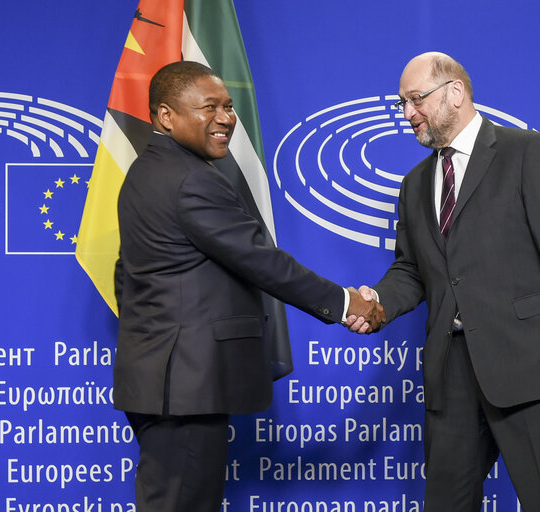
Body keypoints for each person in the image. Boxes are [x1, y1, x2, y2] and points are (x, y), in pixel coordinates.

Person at [114, 60, 384, 512]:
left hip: (160, 380)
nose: (226, 118)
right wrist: (346, 302)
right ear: (165, 116)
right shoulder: (192, 181)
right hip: (185, 387)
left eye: (229, 106)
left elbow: (129, 273)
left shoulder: (144, 173)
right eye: (210, 108)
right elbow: (263, 262)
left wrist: (159, 331)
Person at [349, 52, 540, 511]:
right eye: (403, 104)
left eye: (416, 99)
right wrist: (378, 300)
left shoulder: (526, 152)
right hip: (452, 374)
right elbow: (412, 269)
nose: (408, 114)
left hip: (532, 367)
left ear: (456, 93)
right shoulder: (414, 184)